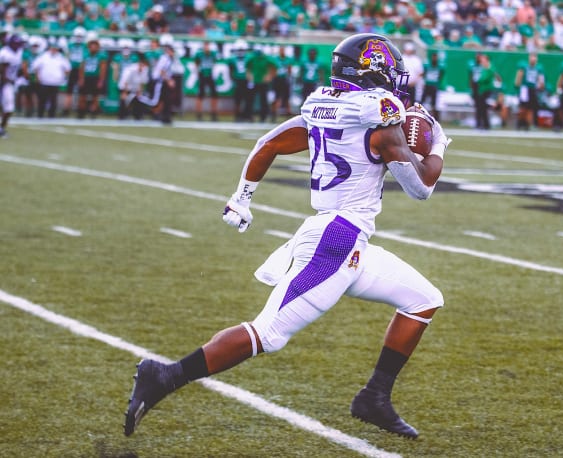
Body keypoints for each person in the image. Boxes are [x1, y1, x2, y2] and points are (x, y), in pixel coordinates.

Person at [124, 33, 451, 440]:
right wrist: (437, 142)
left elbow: (269, 143)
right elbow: (422, 187)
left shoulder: (324, 108)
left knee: (423, 300)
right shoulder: (379, 124)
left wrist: (241, 198)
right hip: (336, 239)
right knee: (268, 333)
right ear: (374, 72)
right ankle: (164, 375)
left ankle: (374, 398)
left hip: (346, 240)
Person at [32, 42, 71, 118]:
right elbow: (36, 67)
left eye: (55, 49)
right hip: (44, 82)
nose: (54, 50)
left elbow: (68, 68)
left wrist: (62, 78)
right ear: (49, 48)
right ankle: (40, 114)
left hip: (55, 83)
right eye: (52, 48)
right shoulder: (43, 56)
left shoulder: (61, 57)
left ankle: (51, 115)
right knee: (42, 99)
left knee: (53, 100)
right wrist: (38, 77)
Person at [77, 31, 108, 119]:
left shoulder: (101, 55)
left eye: (95, 45)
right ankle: (81, 114)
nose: (93, 47)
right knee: (82, 97)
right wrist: (81, 78)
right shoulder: (85, 54)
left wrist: (101, 80)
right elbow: (81, 67)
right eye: (92, 45)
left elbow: (103, 69)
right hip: (86, 77)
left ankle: (93, 114)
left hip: (95, 77)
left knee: (95, 97)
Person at [0, 34, 24, 138]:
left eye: (18, 44)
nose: (17, 46)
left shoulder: (18, 53)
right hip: (3, 82)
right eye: (15, 43)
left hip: (8, 82)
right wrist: (9, 81)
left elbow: (15, 69)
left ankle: (1, 128)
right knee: (7, 106)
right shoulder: (5, 53)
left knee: (9, 108)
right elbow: (2, 71)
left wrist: (18, 77)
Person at [514, 52, 545, 130]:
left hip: (533, 88)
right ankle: (520, 122)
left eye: (535, 57)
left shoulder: (539, 68)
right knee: (523, 107)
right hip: (524, 88)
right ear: (529, 58)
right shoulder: (524, 66)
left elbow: (540, 79)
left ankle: (528, 124)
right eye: (532, 56)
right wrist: (517, 85)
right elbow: (519, 77)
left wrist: (541, 85)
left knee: (531, 108)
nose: (533, 58)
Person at [245, 49, 276, 123]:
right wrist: (249, 76)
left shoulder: (266, 59)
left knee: (264, 100)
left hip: (263, 82)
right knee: (250, 100)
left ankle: (263, 117)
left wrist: (270, 76)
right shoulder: (252, 58)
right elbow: (247, 68)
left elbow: (274, 67)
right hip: (254, 81)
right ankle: (249, 116)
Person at [117, 52, 150, 120]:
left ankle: (138, 116)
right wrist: (125, 92)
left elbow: (142, 82)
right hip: (125, 87)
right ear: (140, 64)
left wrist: (140, 91)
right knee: (124, 100)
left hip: (135, 87)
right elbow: (126, 81)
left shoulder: (145, 69)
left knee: (139, 99)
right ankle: (122, 116)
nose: (143, 68)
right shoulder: (131, 69)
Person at [62, 26, 86, 116]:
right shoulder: (70, 45)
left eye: (80, 36)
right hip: (71, 69)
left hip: (82, 70)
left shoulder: (85, 46)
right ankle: (66, 109)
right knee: (69, 90)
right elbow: (67, 56)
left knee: (82, 91)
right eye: (77, 36)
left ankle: (81, 110)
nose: (79, 38)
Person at [194, 41, 219, 121]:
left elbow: (214, 62)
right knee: (200, 95)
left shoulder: (213, 53)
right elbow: (196, 63)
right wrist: (198, 71)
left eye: (208, 45)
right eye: (205, 45)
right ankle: (199, 114)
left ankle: (213, 114)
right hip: (202, 75)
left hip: (210, 74)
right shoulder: (199, 54)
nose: (206, 47)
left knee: (214, 94)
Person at [475, 53, 499, 130]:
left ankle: (486, 125)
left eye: (483, 59)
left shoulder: (489, 68)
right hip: (481, 90)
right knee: (480, 108)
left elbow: (485, 79)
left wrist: (479, 81)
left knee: (484, 108)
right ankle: (480, 124)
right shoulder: (483, 68)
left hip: (487, 90)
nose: (482, 60)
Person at [228, 39, 250, 121]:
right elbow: (230, 70)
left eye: (242, 50)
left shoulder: (249, 58)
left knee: (247, 99)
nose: (241, 51)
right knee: (238, 100)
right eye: (239, 49)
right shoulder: (232, 59)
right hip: (237, 80)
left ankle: (246, 115)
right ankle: (237, 115)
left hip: (246, 80)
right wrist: (232, 79)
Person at [420, 51, 445, 121]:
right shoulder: (427, 65)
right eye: (433, 57)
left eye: (436, 57)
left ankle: (436, 119)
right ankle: (419, 115)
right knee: (422, 102)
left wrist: (437, 83)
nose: (434, 58)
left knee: (434, 104)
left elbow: (440, 76)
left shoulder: (440, 66)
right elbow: (424, 74)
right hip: (427, 85)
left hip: (434, 86)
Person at [270, 45, 293, 121]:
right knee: (277, 97)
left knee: (286, 97)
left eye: (283, 50)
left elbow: (289, 70)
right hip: (277, 79)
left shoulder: (288, 59)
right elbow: (272, 69)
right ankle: (273, 114)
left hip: (284, 79)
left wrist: (289, 77)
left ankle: (288, 114)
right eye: (281, 50)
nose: (282, 51)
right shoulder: (275, 59)